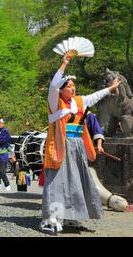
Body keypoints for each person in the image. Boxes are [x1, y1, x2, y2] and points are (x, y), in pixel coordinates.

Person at [40, 53, 121, 235]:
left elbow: (94, 97)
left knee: (76, 181)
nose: (73, 88)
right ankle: (51, 219)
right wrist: (63, 65)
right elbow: (53, 85)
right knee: (57, 182)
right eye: (69, 86)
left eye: (73, 85)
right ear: (61, 90)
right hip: (60, 146)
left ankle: (70, 215)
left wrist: (110, 88)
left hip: (76, 146)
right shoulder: (55, 102)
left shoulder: (79, 102)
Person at [0, 119, 12, 191]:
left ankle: (7, 185)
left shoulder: (5, 131)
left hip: (2, 153)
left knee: (1, 171)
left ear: (1, 124)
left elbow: (4, 140)